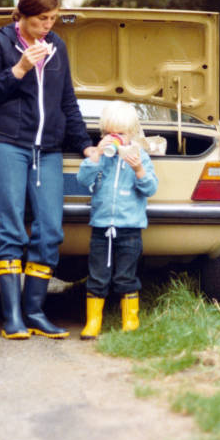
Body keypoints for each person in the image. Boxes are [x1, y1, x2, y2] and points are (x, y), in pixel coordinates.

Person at [0, 0, 94, 339]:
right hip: (7, 145)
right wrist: (20, 69)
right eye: (42, 19)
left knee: (50, 230)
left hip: (48, 151)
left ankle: (35, 312)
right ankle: (12, 318)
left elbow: (67, 101)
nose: (48, 26)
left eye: (53, 19)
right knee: (10, 230)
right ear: (23, 15)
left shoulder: (56, 46)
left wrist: (86, 145)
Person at [77, 100, 158, 339]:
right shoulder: (101, 157)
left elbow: (150, 188)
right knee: (97, 276)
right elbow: (83, 179)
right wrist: (97, 154)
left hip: (130, 228)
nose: (116, 138)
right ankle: (93, 322)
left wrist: (139, 170)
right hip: (101, 227)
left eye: (121, 134)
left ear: (131, 133)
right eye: (110, 133)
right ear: (103, 134)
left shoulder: (140, 156)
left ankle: (130, 321)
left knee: (126, 276)